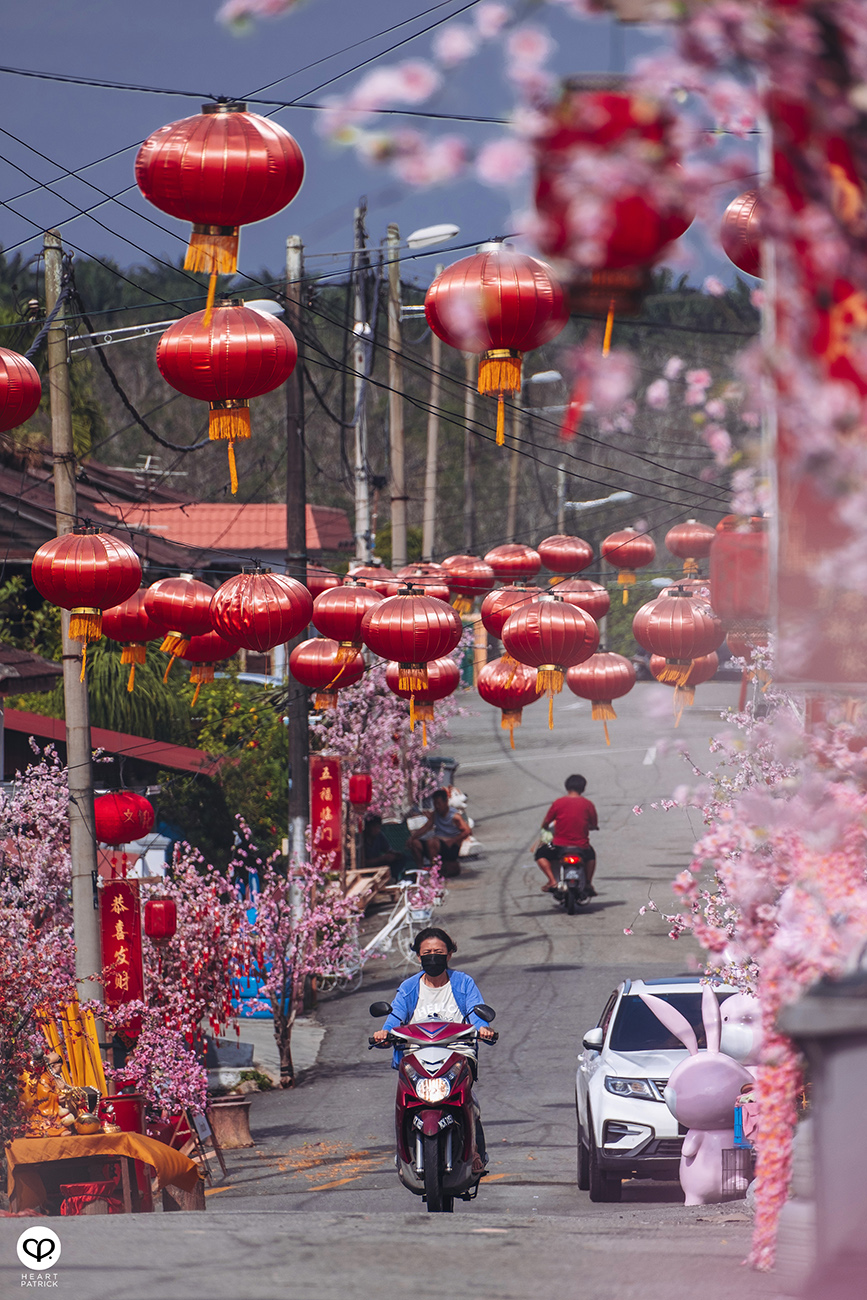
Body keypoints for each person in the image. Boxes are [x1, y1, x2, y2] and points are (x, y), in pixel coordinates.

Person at [373, 927, 494, 1173]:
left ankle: (475, 1151)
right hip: (415, 1056)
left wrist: (483, 1029)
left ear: (449, 954)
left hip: (458, 1053)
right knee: (405, 1099)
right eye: (426, 952)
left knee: (467, 1098)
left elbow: (476, 1012)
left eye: (438, 952)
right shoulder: (408, 987)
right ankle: (402, 1151)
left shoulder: (463, 983)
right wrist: (384, 1033)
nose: (432, 957)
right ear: (418, 956)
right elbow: (395, 1017)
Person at [534, 773, 598, 895]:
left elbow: (547, 822)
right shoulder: (588, 804)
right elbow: (593, 823)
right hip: (581, 846)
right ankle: (588, 883)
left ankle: (552, 881)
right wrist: (592, 826)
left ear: (566, 787)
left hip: (559, 846)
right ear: (583, 788)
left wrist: (545, 828)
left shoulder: (558, 803)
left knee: (540, 854)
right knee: (591, 856)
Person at [408, 788, 470, 877]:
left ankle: (435, 870)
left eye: (439, 804)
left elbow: (467, 831)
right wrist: (412, 837)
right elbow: (426, 827)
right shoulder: (435, 814)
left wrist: (453, 840)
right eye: (435, 804)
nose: (437, 806)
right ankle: (420, 870)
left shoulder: (455, 816)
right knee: (415, 843)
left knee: (431, 842)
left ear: (446, 802)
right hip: (437, 845)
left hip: (450, 847)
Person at [362, 813, 406, 881]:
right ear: (368, 827)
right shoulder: (361, 840)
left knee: (400, 859)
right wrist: (382, 858)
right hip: (368, 868)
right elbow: (363, 863)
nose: (377, 830)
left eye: (379, 827)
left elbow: (387, 849)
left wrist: (394, 854)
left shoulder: (379, 836)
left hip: (379, 864)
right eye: (375, 827)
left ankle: (393, 878)